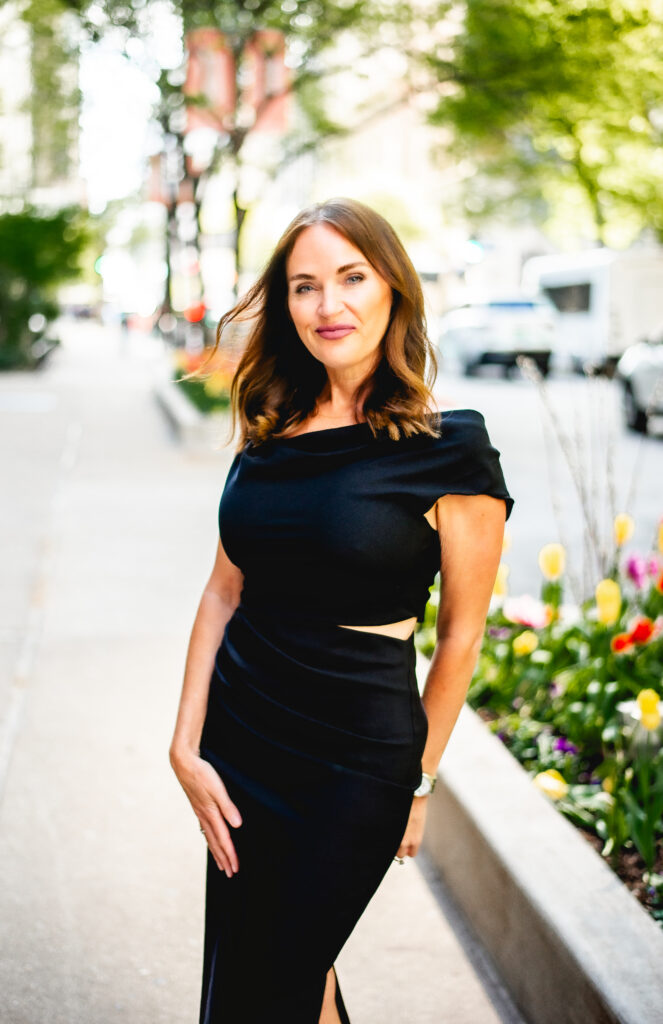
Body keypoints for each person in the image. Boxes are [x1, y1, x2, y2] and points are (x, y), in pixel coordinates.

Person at [169, 197, 514, 1024]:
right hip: (243, 738)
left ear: (392, 285)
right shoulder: (270, 427)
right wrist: (184, 744)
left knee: (277, 975)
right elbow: (224, 589)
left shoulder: (448, 447)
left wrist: (419, 782)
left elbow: (461, 635)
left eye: (351, 277)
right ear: (284, 305)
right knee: (272, 975)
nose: (329, 305)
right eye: (304, 286)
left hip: (356, 759)